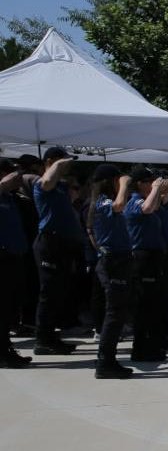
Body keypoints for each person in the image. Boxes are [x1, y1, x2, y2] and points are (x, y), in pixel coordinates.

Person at [31, 147, 85, 355]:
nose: (67, 165)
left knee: (59, 293)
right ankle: (42, 340)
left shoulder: (61, 185)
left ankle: (51, 337)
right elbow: (46, 182)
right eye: (63, 161)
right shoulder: (42, 184)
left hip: (64, 245)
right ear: (51, 161)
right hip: (49, 243)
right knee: (49, 293)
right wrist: (57, 164)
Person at [85, 165, 134, 379]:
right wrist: (124, 182)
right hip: (113, 261)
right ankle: (105, 362)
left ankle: (107, 358)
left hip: (119, 260)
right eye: (116, 180)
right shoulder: (102, 201)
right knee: (114, 314)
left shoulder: (104, 202)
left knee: (118, 312)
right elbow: (119, 205)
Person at [123, 168, 168, 362]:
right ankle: (141, 348)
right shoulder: (134, 201)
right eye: (148, 181)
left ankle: (154, 342)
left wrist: (162, 191)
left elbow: (157, 205)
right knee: (144, 305)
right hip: (142, 258)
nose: (152, 183)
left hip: (153, 257)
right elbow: (147, 208)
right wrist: (156, 189)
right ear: (139, 184)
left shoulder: (146, 200)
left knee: (155, 303)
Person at [0, 164, 32, 368]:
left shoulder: (11, 198)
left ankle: (5, 349)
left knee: (11, 307)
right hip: (2, 257)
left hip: (15, 256)